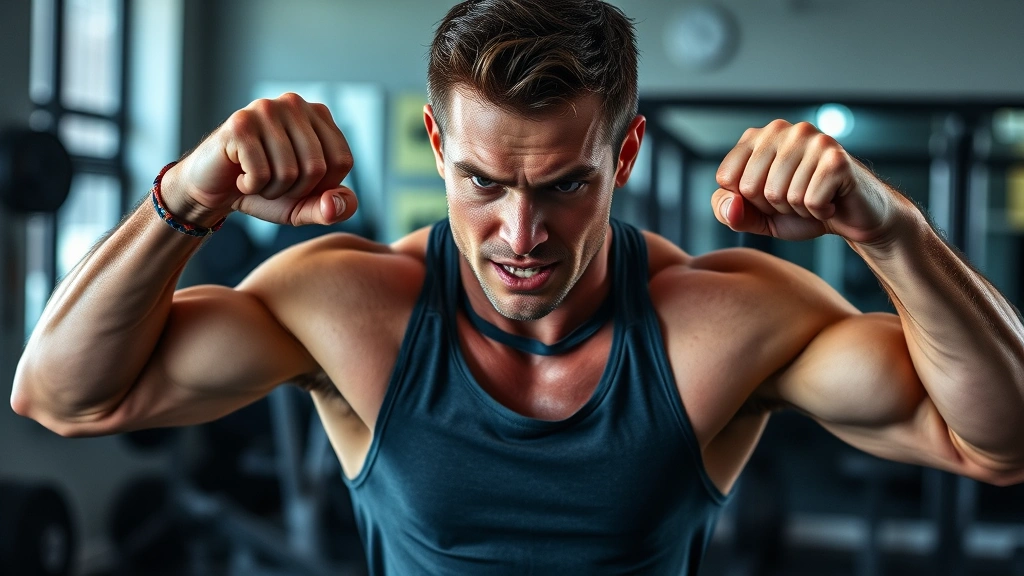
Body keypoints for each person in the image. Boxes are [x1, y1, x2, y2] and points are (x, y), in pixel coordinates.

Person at [11, 0, 1024, 573]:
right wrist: (187, 196)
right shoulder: (351, 302)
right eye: (483, 184)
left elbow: (996, 441)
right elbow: (63, 395)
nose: (521, 234)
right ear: (437, 144)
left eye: (564, 185)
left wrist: (889, 232)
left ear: (623, 156)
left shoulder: (724, 319)